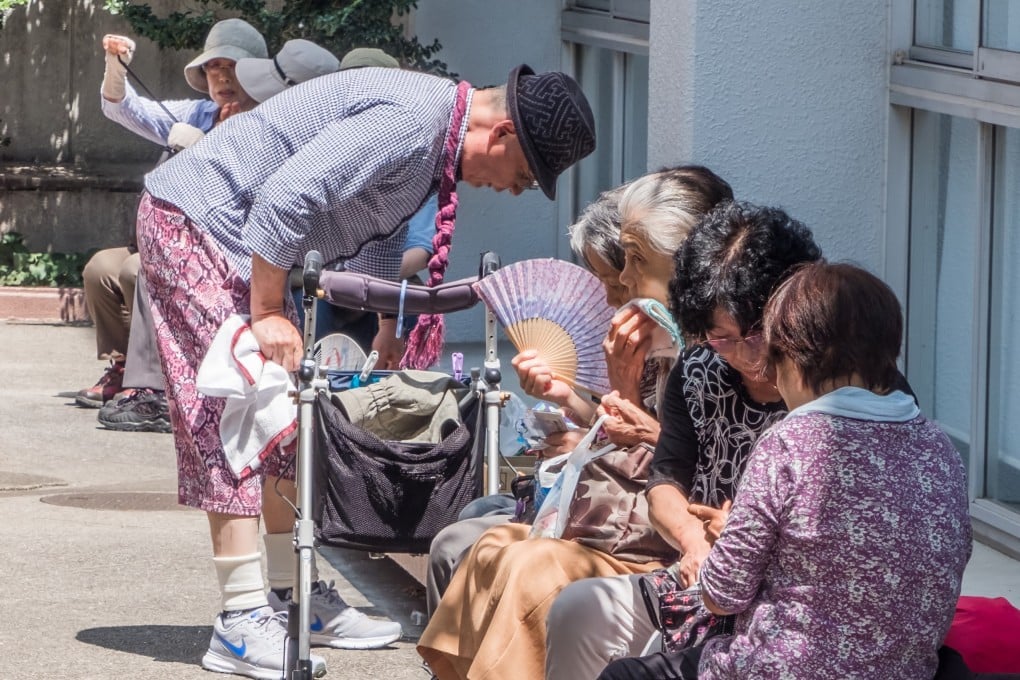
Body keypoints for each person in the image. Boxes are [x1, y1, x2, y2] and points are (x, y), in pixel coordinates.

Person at [135, 62, 596, 680]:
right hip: (199, 224)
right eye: (521, 178)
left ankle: (289, 596)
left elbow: (367, 222)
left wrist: (387, 327)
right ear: (503, 133)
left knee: (284, 416)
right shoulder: (411, 121)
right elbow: (288, 197)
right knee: (238, 409)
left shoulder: (430, 135)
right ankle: (242, 621)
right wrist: (268, 311)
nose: (509, 189)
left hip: (252, 246)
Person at [417, 166, 733, 680]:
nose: (620, 286)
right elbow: (632, 436)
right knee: (487, 546)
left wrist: (624, 401)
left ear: (688, 263)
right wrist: (577, 396)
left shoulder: (720, 353)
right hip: (622, 524)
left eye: (632, 265)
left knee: (529, 564)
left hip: (658, 545)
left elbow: (684, 465)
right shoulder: (660, 340)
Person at [599, 261, 973, 679]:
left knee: (624, 675)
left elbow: (722, 594)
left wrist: (728, 538)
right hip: (908, 672)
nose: (774, 378)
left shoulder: (789, 443)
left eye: (775, 357)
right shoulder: (941, 447)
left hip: (780, 670)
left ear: (795, 357)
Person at [545, 201, 823, 680]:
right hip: (702, 572)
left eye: (752, 336)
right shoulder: (699, 370)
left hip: (791, 598)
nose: (739, 354)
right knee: (578, 610)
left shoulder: (829, 384)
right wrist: (693, 539)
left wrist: (744, 533)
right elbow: (665, 479)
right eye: (719, 338)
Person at [78, 19, 270, 431]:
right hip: (166, 237)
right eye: (213, 67)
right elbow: (123, 107)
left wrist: (204, 152)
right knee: (102, 268)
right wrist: (117, 65)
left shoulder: (268, 119)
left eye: (232, 66)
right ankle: (124, 364)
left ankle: (156, 387)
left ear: (255, 71)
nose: (221, 76)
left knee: (137, 269)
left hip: (223, 251)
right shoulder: (198, 113)